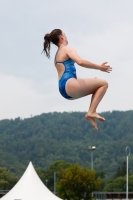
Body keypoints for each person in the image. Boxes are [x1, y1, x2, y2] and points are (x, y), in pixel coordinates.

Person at [42, 29, 112, 130]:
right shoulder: (66, 49)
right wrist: (99, 67)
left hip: (64, 89)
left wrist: (92, 80)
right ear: (62, 37)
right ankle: (91, 111)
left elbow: (68, 73)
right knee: (103, 83)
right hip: (69, 84)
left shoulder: (57, 55)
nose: (66, 36)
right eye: (65, 34)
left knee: (96, 81)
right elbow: (80, 62)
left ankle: (91, 112)